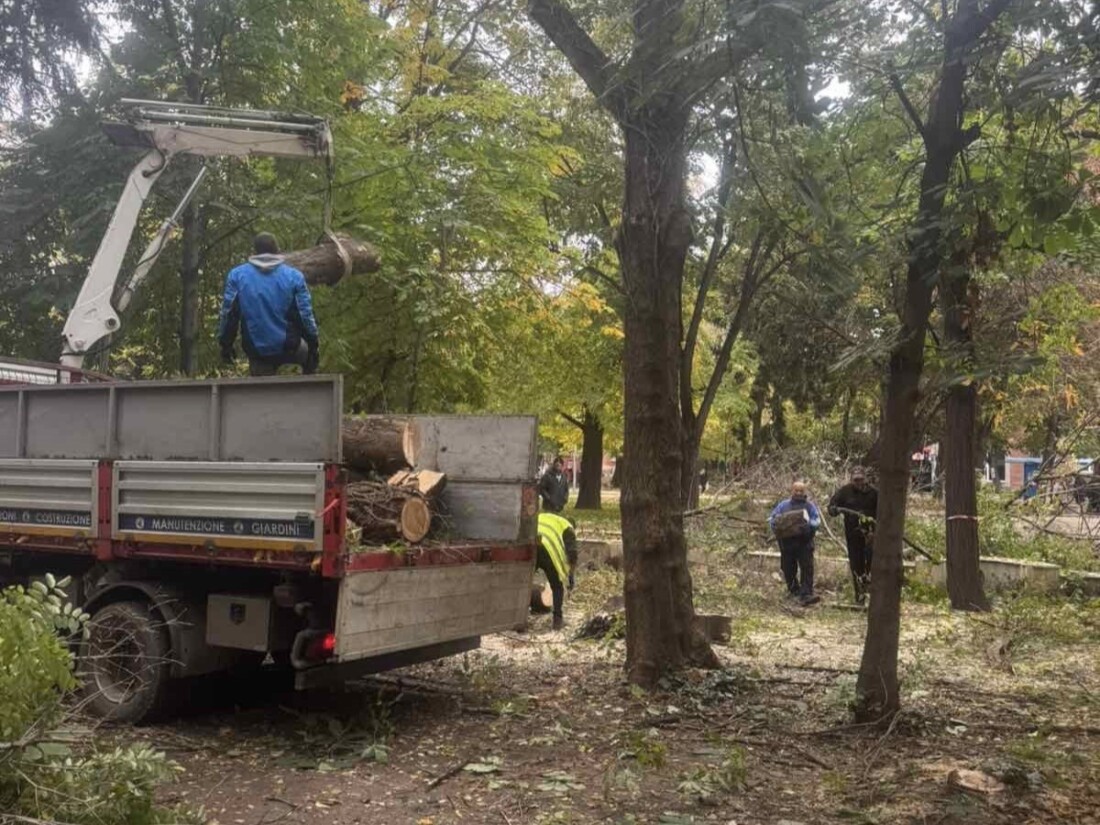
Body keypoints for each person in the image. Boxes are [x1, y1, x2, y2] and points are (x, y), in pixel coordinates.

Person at [218, 232, 320, 376]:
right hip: (291, 348)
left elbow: (229, 315)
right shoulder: (294, 277)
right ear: (277, 250)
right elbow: (305, 316)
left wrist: (226, 345)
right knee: (305, 357)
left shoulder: (237, 276)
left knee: (262, 392)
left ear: (255, 251)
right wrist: (314, 345)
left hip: (257, 352)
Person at [828, 467, 879, 604]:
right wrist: (834, 509)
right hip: (852, 534)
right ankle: (859, 596)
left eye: (861, 479)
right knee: (856, 564)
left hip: (870, 534)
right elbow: (832, 507)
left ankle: (871, 590)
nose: (858, 482)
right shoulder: (845, 491)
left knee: (871, 562)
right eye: (856, 480)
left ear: (865, 479)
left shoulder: (874, 493)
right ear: (852, 479)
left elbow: (883, 512)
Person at [768, 480, 822, 606]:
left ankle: (806, 594)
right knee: (788, 568)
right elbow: (772, 519)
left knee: (807, 568)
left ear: (805, 492)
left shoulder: (810, 506)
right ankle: (793, 592)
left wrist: (809, 525)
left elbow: (817, 520)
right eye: (796, 490)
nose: (798, 493)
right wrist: (777, 525)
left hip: (805, 542)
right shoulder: (783, 505)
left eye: (801, 491)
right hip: (787, 544)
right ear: (792, 491)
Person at [537, 512, 577, 630]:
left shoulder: (545, 516)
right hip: (549, 552)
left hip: (531, 545)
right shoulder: (568, 527)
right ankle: (557, 621)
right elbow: (572, 555)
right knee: (557, 586)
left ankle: (518, 618)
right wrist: (571, 577)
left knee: (525, 583)